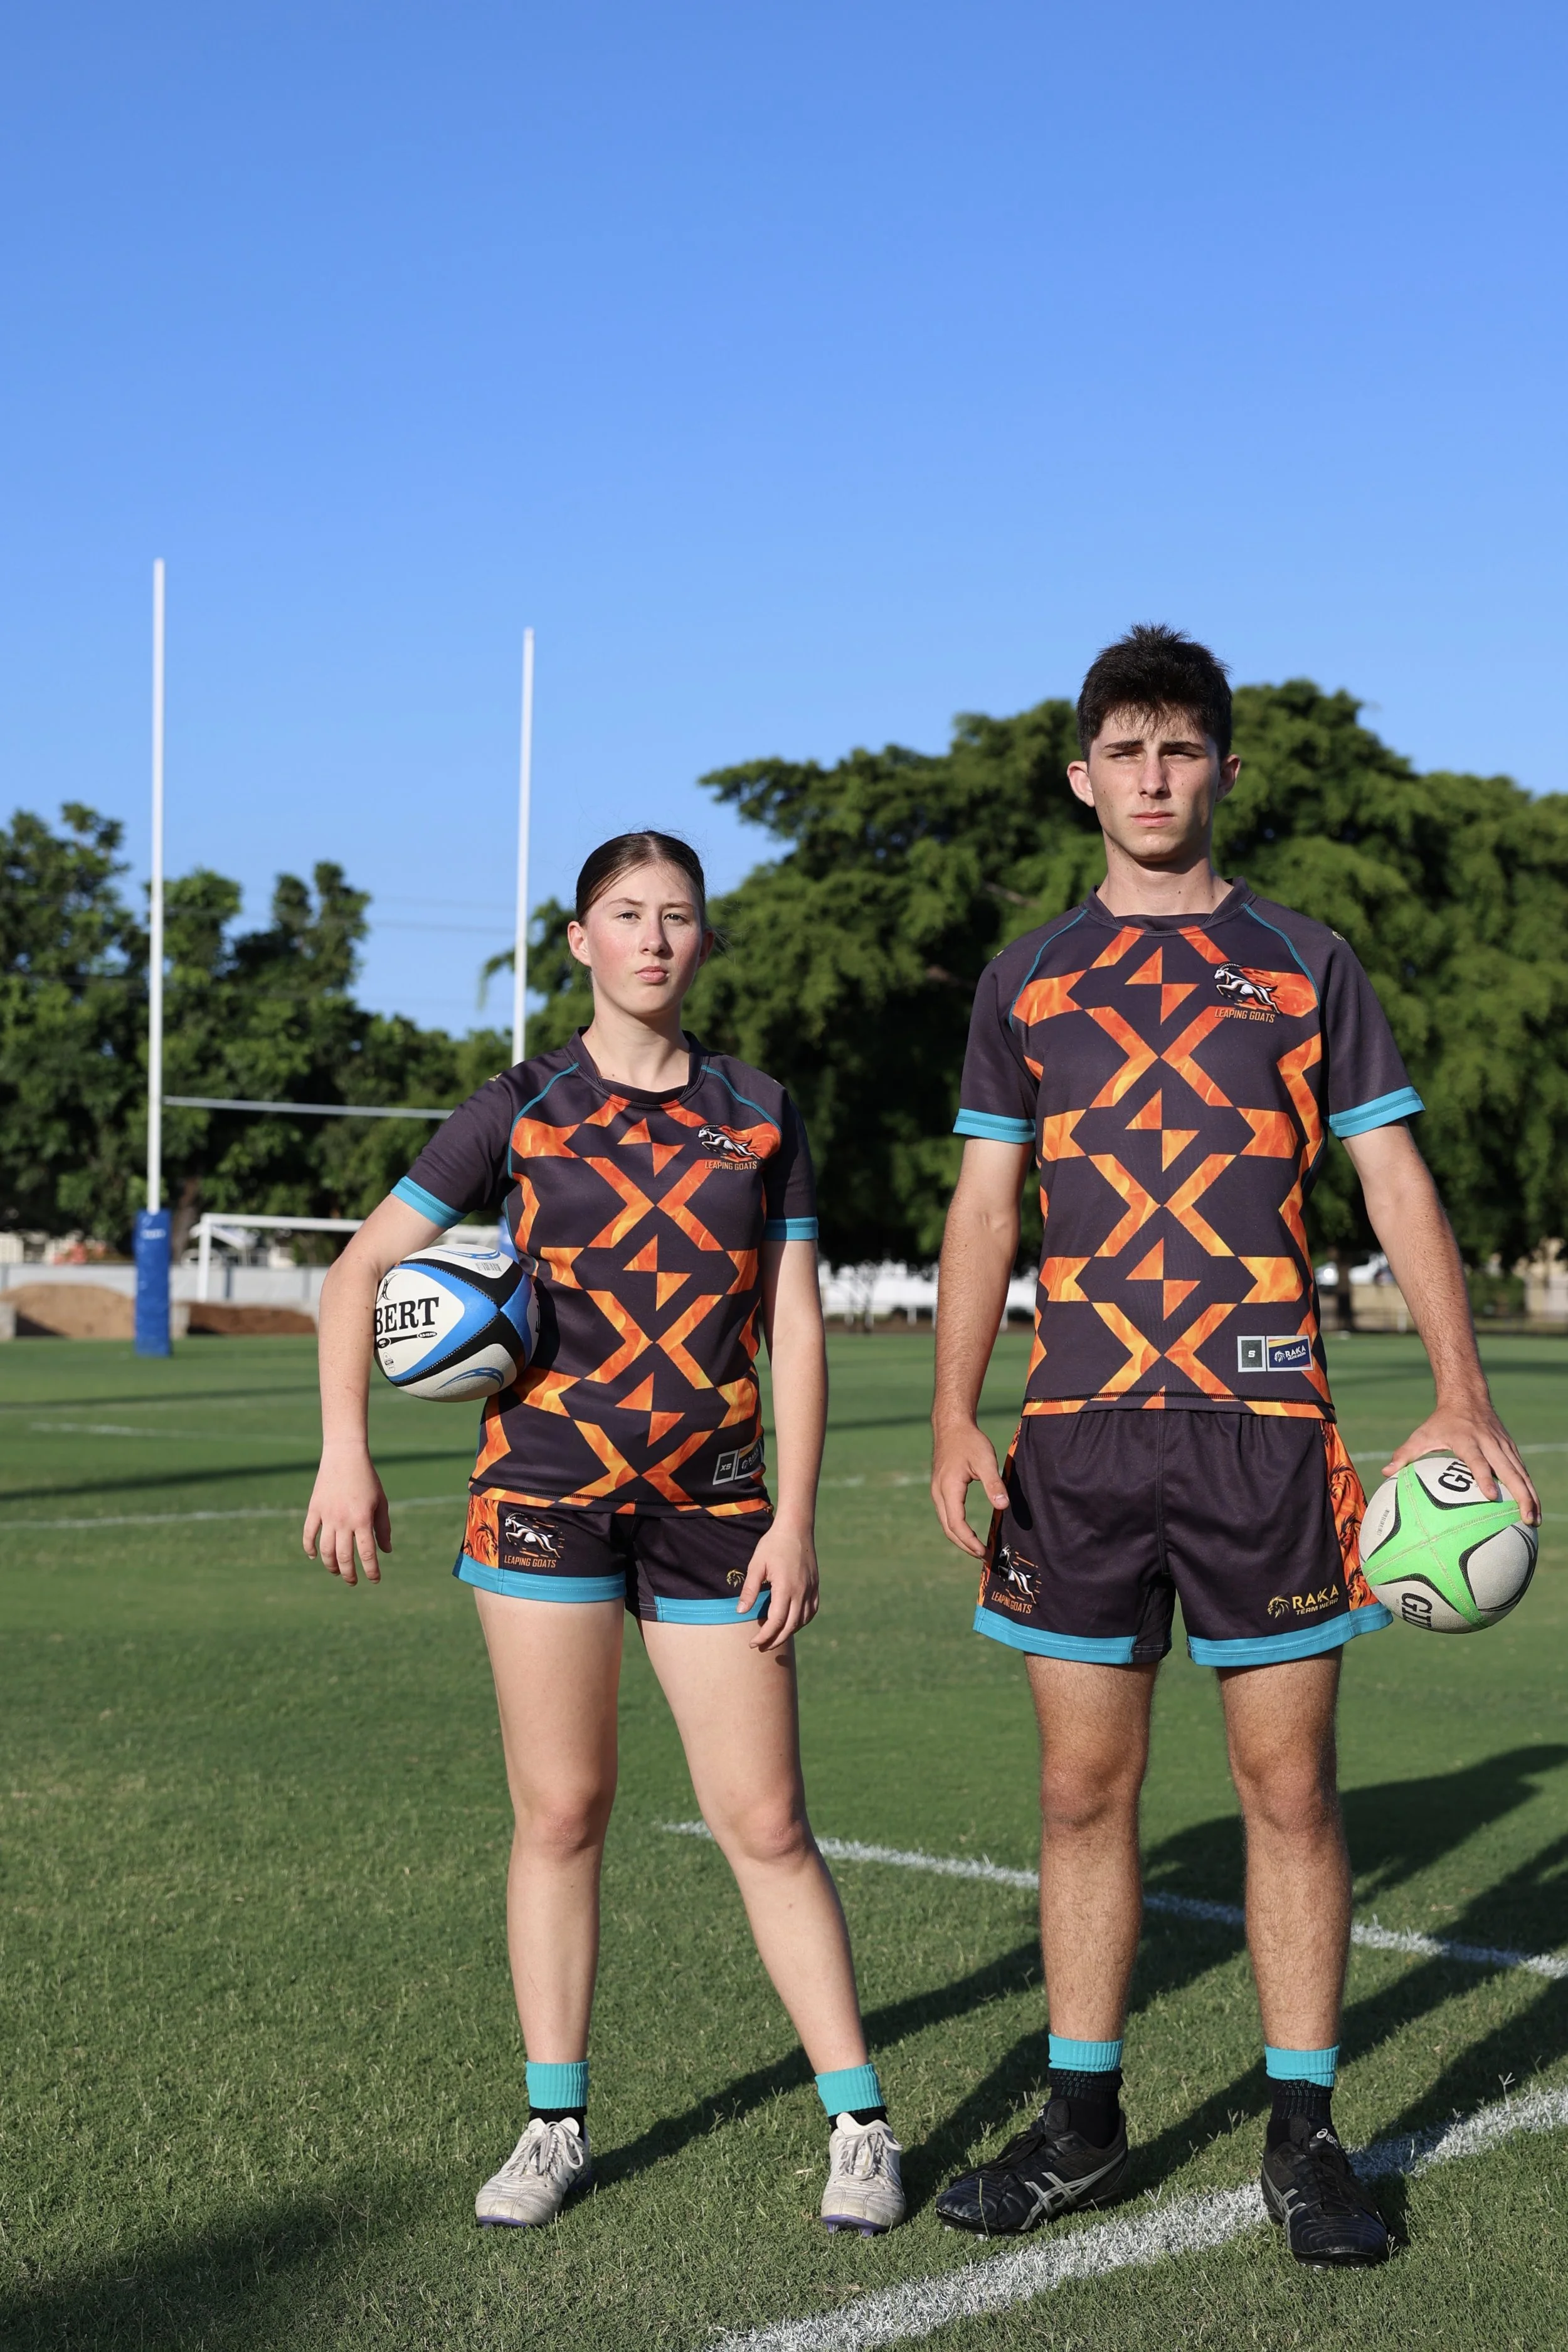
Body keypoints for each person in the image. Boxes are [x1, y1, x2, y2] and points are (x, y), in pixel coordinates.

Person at [928, 627, 1538, 2268]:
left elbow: (1394, 1181)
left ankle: (1302, 2130)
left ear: (1221, 771)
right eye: (1122, 750)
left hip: (1266, 1429)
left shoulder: (1303, 960)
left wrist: (1462, 1393)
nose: (1150, 776)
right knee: (1079, 1784)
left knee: (1286, 1784)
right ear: (1080, 775)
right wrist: (947, 1401)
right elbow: (986, 1199)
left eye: (1179, 749)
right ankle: (1081, 2121)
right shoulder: (1025, 978)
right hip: (1078, 1433)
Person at [303, 830, 904, 2236]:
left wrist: (796, 1520)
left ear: (702, 944)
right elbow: (356, 1277)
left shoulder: (760, 1110)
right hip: (540, 1503)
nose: (652, 938)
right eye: (624, 915)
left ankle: (859, 2125)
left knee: (765, 1823)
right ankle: (553, 2123)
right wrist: (347, 1450)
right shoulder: (515, 1108)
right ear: (576, 940)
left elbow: (795, 1327)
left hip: (717, 1509)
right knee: (561, 1813)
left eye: (677, 917)